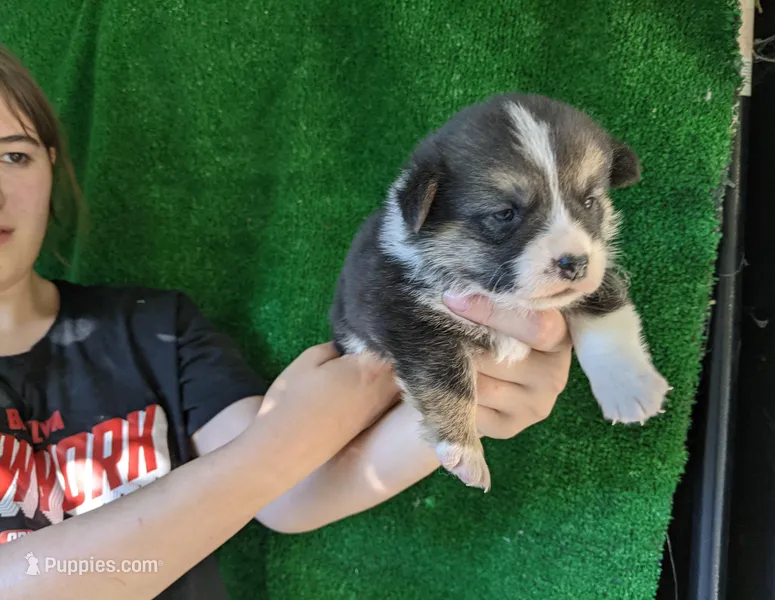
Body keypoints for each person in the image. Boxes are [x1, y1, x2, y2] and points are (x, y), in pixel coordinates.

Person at [0, 43, 572, 600]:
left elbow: (288, 496)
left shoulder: (153, 327)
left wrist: (469, 397)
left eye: (12, 155)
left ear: (50, 162)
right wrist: (271, 449)